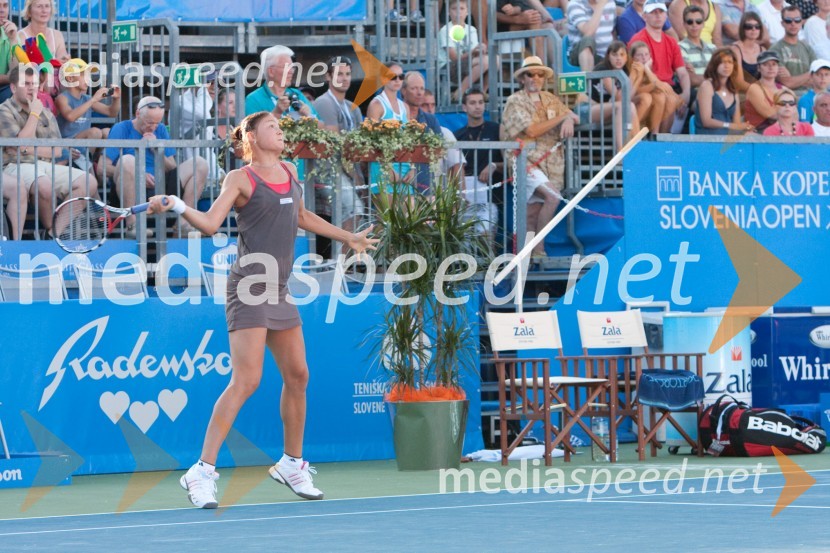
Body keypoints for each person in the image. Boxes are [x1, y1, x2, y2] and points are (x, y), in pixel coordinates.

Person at [146, 111, 378, 509]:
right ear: (252, 136)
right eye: (273, 126)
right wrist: (178, 205)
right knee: (247, 381)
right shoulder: (240, 178)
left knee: (299, 375)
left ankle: (291, 462)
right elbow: (210, 224)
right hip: (250, 287)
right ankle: (200, 471)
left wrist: (349, 237)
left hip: (280, 288)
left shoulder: (289, 170)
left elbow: (302, 216)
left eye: (281, 127)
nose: (281, 131)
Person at [0, 65, 98, 234]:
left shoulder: (46, 112)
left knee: (88, 182)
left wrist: (26, 149)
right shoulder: (4, 111)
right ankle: (49, 232)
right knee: (44, 184)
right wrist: (34, 114)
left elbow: (57, 151)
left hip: (45, 165)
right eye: (26, 83)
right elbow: (21, 144)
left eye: (35, 83)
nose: (32, 87)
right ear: (13, 87)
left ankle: (55, 233)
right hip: (14, 166)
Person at [500, 56, 579, 264]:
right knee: (552, 197)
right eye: (530, 73)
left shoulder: (551, 98)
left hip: (551, 163)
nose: (535, 77)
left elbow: (574, 116)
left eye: (539, 74)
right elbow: (532, 130)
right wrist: (563, 117)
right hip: (525, 160)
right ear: (522, 78)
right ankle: (538, 249)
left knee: (533, 211)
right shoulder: (515, 100)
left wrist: (569, 118)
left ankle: (531, 254)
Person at [102, 96, 208, 236]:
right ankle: (133, 225)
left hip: (160, 184)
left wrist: (157, 149)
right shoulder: (121, 128)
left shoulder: (161, 130)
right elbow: (102, 168)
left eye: (157, 123)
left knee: (199, 163)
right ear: (138, 114)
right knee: (128, 160)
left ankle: (183, 222)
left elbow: (172, 166)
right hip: (129, 187)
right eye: (149, 122)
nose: (153, 127)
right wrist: (138, 174)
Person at [312, 56, 365, 234]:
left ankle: (351, 259)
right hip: (329, 170)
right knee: (352, 211)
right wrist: (354, 174)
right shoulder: (324, 102)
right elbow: (335, 144)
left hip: (348, 170)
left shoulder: (353, 107)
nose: (344, 78)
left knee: (362, 214)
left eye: (348, 74)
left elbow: (359, 143)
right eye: (339, 74)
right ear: (328, 77)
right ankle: (343, 261)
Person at [629, 0, 692, 132]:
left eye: (661, 11)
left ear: (666, 16)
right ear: (644, 16)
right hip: (645, 88)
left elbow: (682, 73)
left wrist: (686, 94)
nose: (658, 15)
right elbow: (638, 75)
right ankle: (658, 139)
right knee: (667, 97)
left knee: (672, 98)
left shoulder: (671, 42)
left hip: (665, 88)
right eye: (653, 12)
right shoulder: (638, 40)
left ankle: (662, 140)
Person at [454, 87, 502, 239]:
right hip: (465, 196)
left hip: (489, 197)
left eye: (481, 102)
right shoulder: (458, 135)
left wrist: (493, 165)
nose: (477, 106)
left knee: (487, 238)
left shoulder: (496, 129)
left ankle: (492, 263)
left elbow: (510, 162)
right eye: (473, 103)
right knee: (464, 241)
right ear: (464, 107)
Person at [245, 45, 319, 119]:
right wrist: (277, 113)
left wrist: (309, 116)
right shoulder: (253, 100)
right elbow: (252, 129)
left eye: (292, 67)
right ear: (271, 71)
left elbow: (322, 128)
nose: (291, 71)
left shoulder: (298, 95)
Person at [55, 58, 120, 140]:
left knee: (107, 132)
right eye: (83, 75)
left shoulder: (87, 99)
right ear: (70, 78)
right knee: (95, 132)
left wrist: (117, 98)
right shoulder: (62, 98)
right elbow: (70, 116)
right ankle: (88, 153)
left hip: (83, 143)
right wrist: (93, 99)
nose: (88, 79)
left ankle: (98, 153)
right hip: (66, 145)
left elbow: (111, 113)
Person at [438, 0, 489, 102]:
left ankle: (482, 92)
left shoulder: (472, 30)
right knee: (485, 61)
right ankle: (460, 92)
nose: (458, 12)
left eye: (461, 9)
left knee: (494, 60)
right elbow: (454, 58)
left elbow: (475, 53)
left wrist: (481, 49)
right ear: (448, 12)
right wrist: (473, 52)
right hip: (449, 65)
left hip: (468, 63)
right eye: (454, 9)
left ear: (467, 12)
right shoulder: (445, 30)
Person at [695, 48, 753, 133]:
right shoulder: (707, 86)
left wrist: (745, 128)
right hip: (708, 138)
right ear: (715, 65)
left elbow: (736, 124)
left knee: (755, 138)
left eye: (730, 62)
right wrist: (730, 125)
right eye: (722, 62)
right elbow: (706, 121)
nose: (726, 66)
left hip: (727, 138)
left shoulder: (733, 89)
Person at [769, 5, 817, 94]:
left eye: (797, 20)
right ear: (782, 23)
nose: (793, 23)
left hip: (809, 97)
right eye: (788, 20)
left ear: (801, 22)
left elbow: (817, 79)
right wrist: (810, 74)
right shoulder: (775, 50)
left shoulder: (808, 48)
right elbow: (787, 83)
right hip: (787, 99)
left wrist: (795, 79)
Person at [566, 0, 618, 71]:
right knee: (587, 40)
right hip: (578, 55)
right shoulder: (575, 4)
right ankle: (588, 80)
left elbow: (613, 32)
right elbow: (588, 32)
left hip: (604, 56)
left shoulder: (610, 4)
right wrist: (600, 5)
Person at [17, 0, 69, 64]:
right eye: (39, 6)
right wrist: (55, 62)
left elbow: (63, 60)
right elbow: (22, 67)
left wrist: (66, 59)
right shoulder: (20, 36)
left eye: (47, 6)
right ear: (29, 12)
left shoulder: (57, 35)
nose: (44, 11)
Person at [744, 49, 785, 131]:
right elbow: (770, 114)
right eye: (766, 64)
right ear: (759, 68)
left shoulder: (784, 88)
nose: (770, 67)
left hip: (779, 131)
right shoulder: (754, 88)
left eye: (774, 64)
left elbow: (795, 114)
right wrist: (787, 113)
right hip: (758, 134)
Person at [679, 6, 717, 88]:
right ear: (684, 24)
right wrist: (716, 79)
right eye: (690, 22)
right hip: (696, 94)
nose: (694, 25)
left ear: (703, 24)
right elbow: (692, 80)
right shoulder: (679, 48)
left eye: (698, 21)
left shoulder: (713, 48)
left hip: (716, 91)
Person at [0, 0, 19, 104]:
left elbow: (17, 71)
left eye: (5, 5)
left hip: (4, 89)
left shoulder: (11, 33)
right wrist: (10, 78)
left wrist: (13, 40)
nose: (2, 10)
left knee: (18, 91)